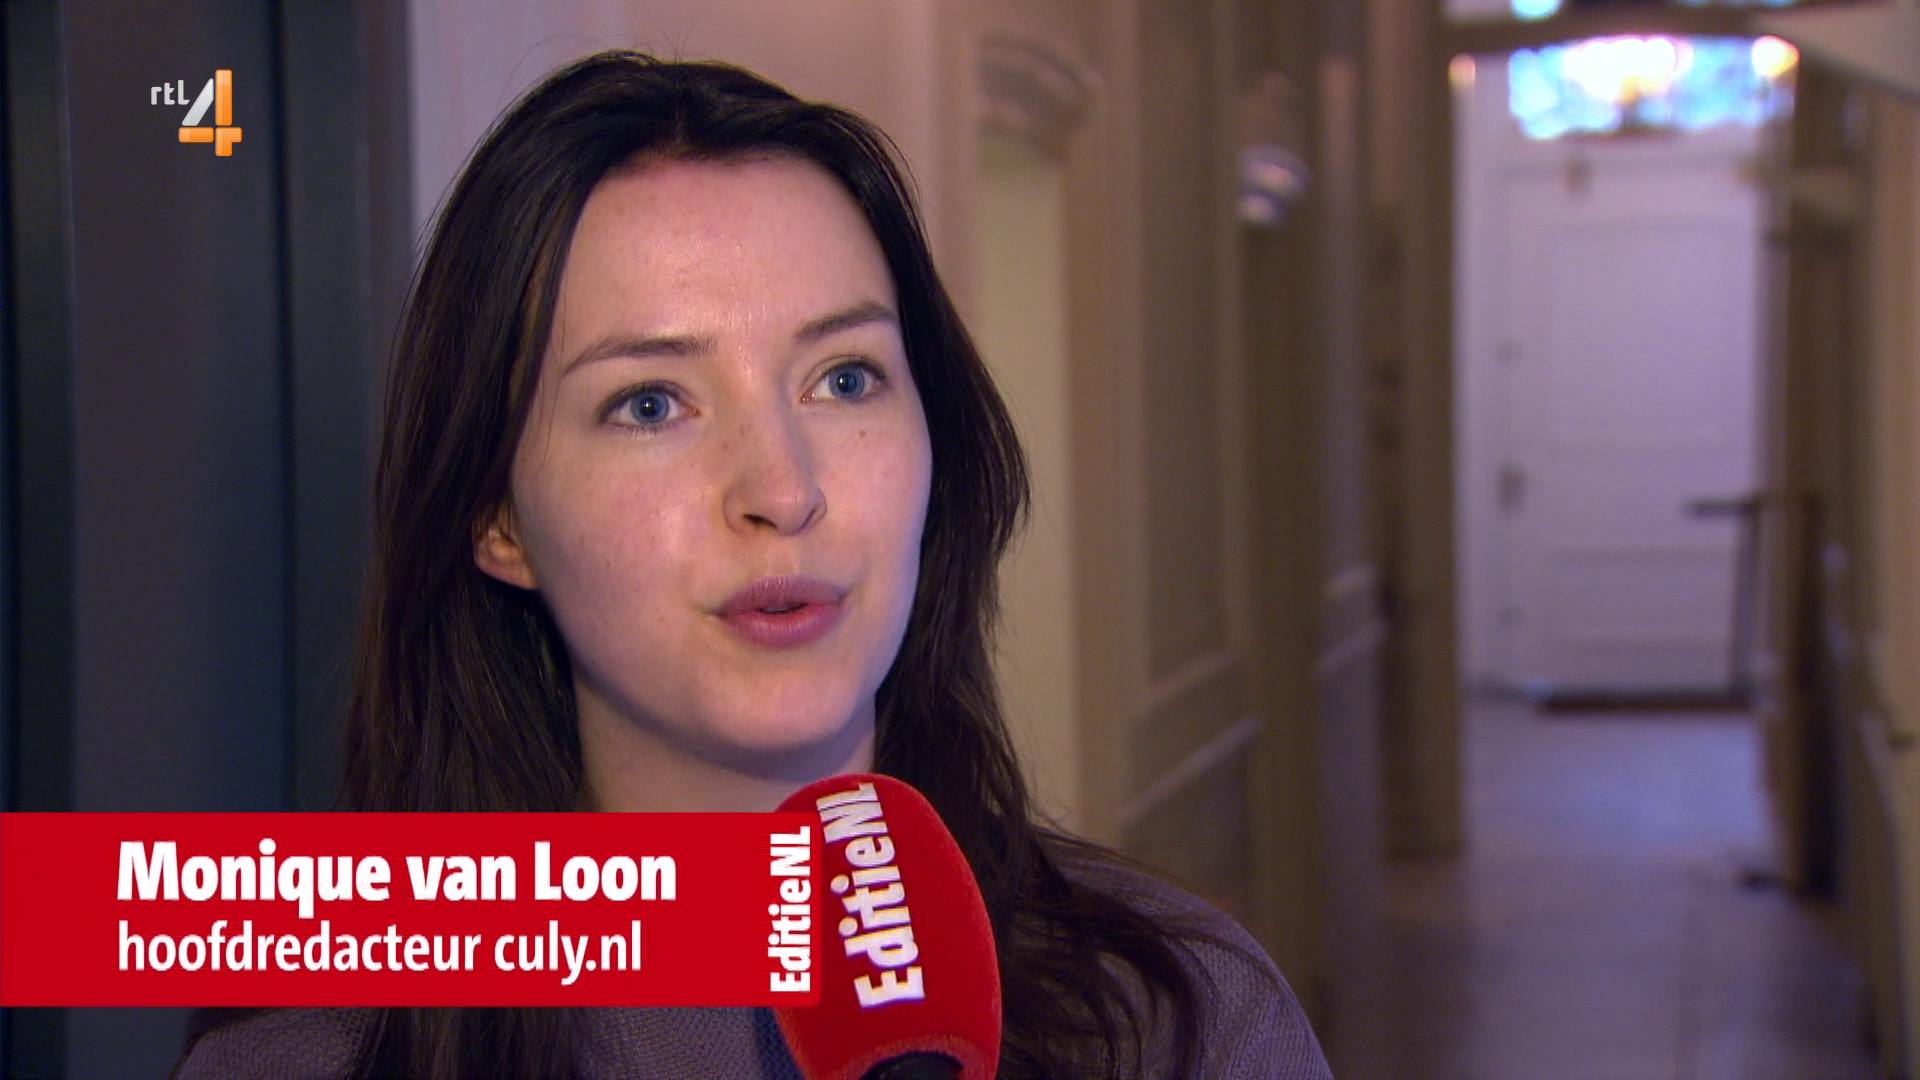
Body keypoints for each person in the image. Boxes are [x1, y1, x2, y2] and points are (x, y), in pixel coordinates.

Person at [175, 51, 1333, 1079]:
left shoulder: (1184, 1020)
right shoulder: (301, 1056)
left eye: (845, 378)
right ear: (499, 516)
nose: (782, 489)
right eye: (649, 403)